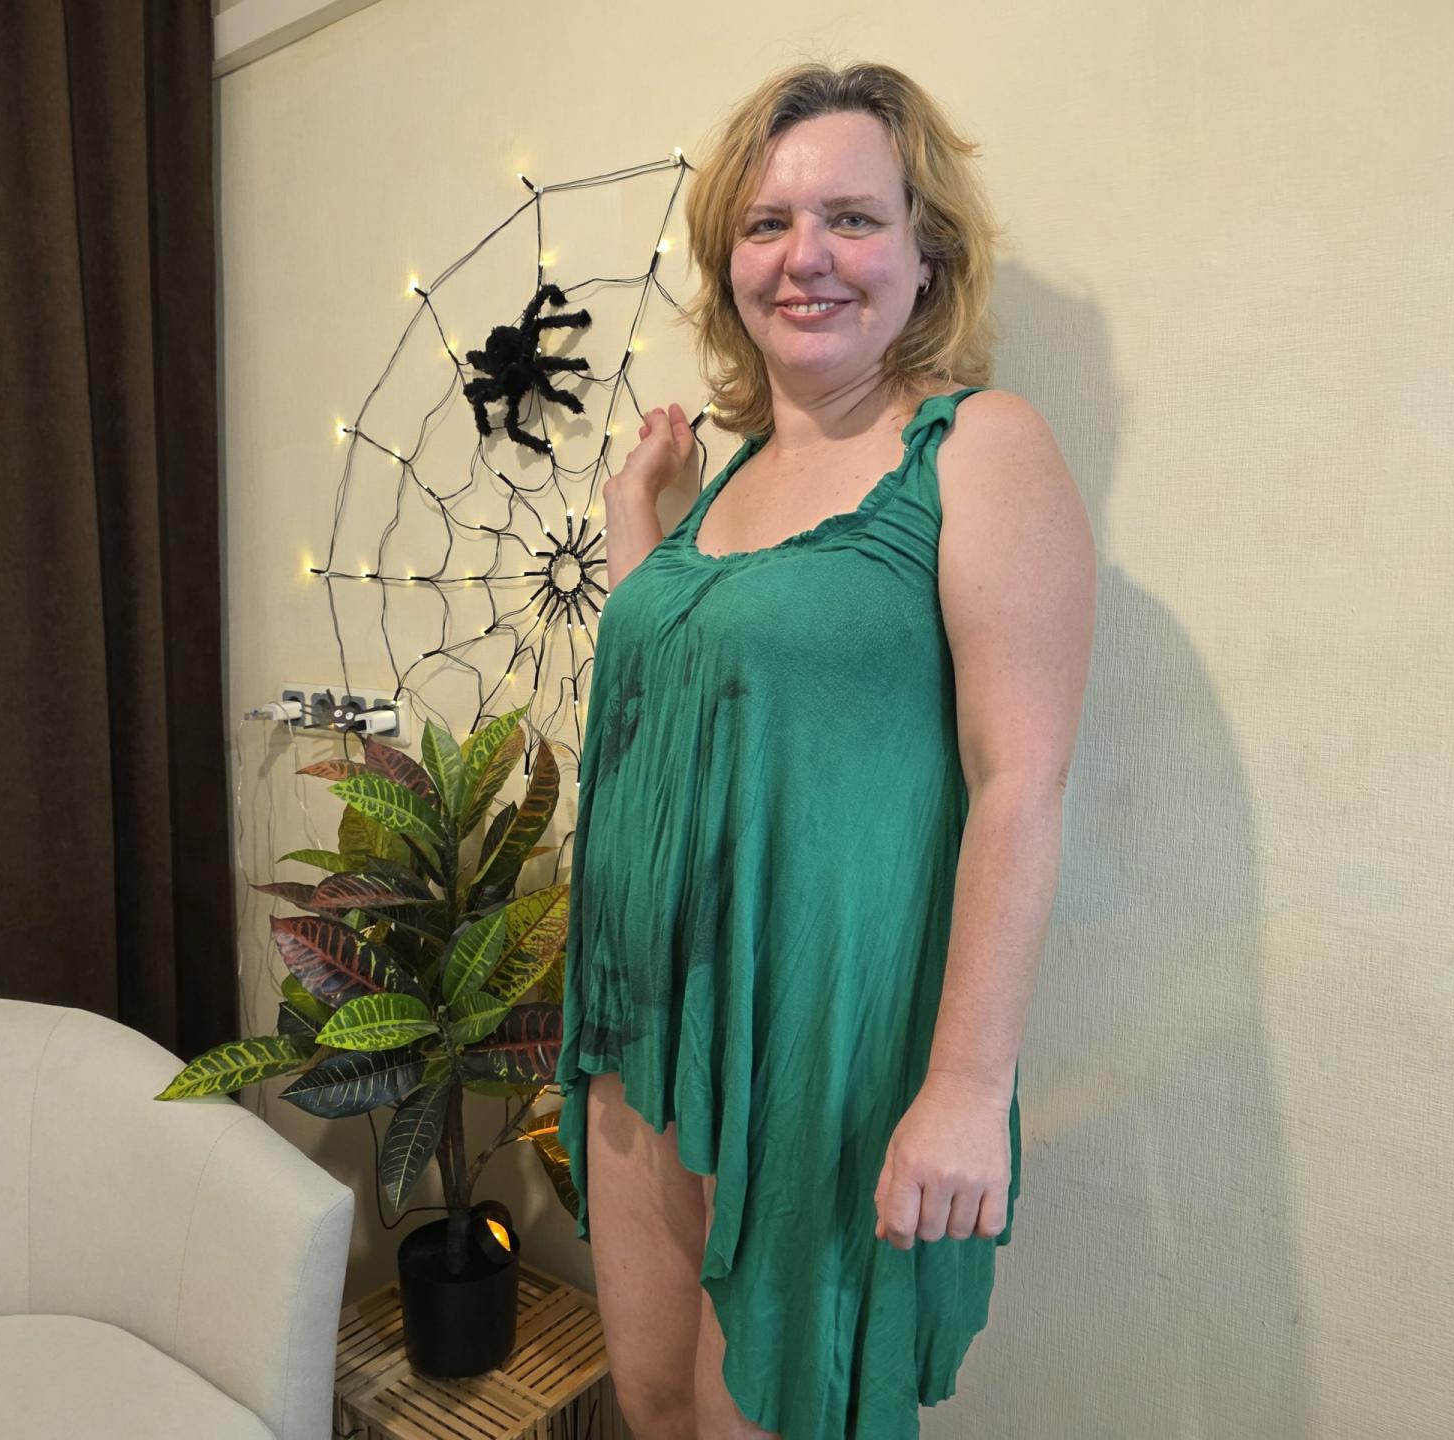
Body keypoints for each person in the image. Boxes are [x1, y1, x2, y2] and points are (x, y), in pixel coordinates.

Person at [552, 60, 1095, 1440]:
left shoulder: (977, 449)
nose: (805, 256)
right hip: (642, 1027)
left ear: (927, 251)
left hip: (820, 1048)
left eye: (852, 218)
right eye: (767, 223)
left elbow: (1020, 783)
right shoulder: (732, 472)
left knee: (769, 1414)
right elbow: (674, 693)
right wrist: (638, 519)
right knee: (655, 1405)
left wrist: (965, 1088)